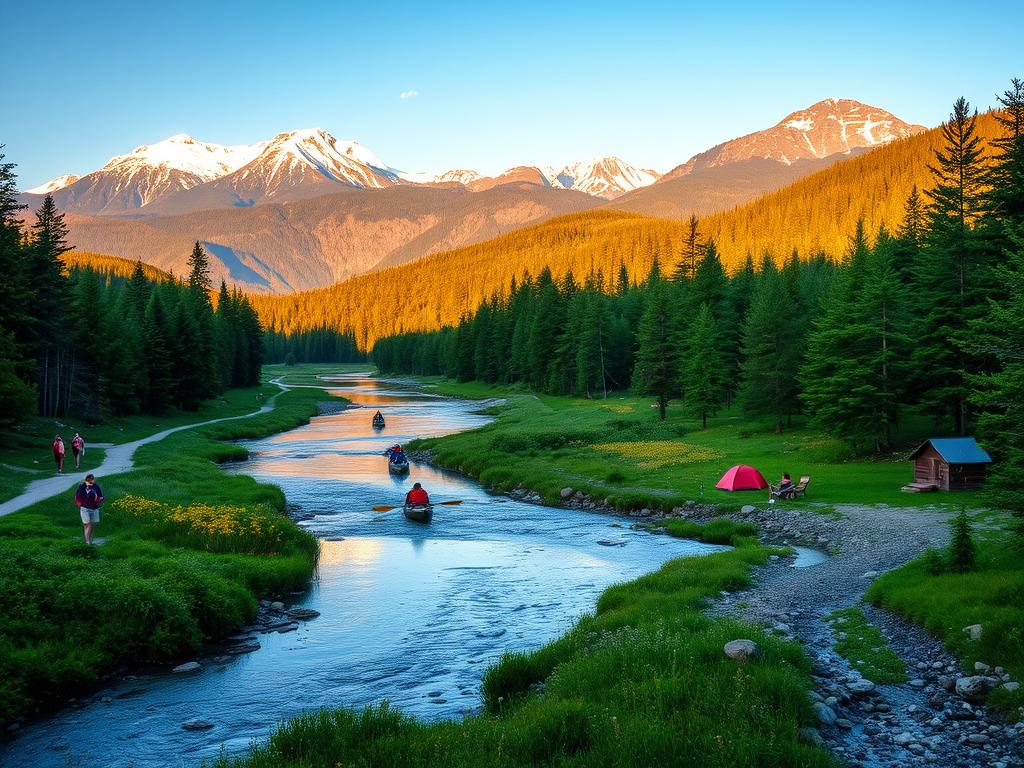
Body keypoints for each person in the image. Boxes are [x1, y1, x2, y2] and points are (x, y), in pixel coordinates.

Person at [75, 473, 104, 545]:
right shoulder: (82, 486)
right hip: (85, 508)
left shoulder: (96, 486)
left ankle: (88, 540)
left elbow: (100, 496)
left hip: (94, 508)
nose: (92, 480)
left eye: (92, 479)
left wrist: (100, 499)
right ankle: (87, 541)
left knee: (90, 525)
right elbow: (78, 496)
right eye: (90, 479)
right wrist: (87, 490)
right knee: (88, 524)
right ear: (86, 479)